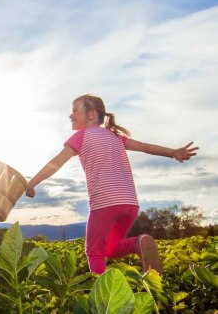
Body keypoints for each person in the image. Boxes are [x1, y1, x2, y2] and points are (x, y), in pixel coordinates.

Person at [25, 94, 198, 275]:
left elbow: (56, 163)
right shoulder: (115, 137)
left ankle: (106, 297)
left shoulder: (80, 137)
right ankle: (138, 243)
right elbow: (144, 147)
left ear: (91, 114)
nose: (70, 115)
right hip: (129, 203)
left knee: (94, 253)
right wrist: (173, 152)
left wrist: (32, 182)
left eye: (75, 110)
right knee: (111, 249)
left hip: (105, 203)